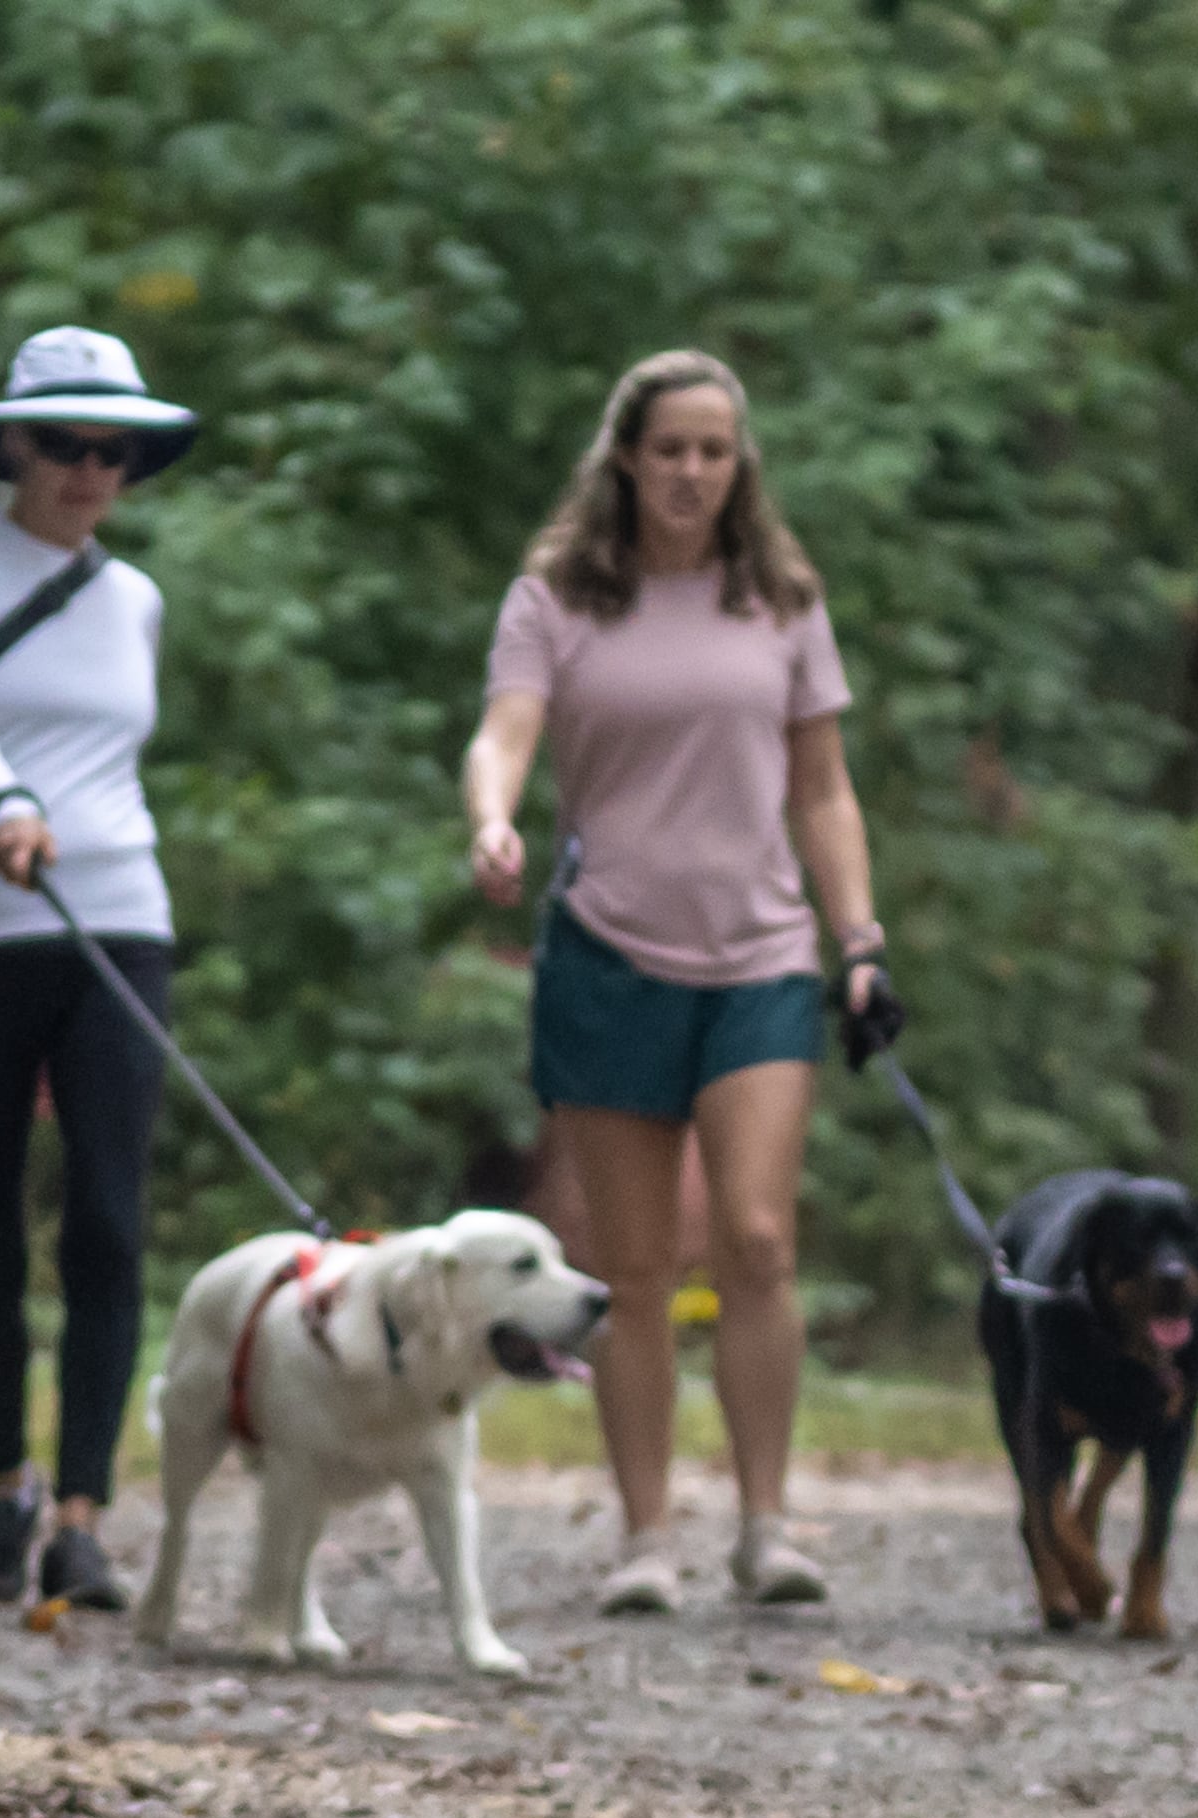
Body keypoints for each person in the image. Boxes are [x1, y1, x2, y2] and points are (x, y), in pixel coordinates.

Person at [461, 350, 899, 1616]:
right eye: (670, 450)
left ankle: (768, 1526)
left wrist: (859, 937)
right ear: (627, 458)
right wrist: (494, 820)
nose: (692, 473)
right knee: (636, 1265)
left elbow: (822, 787)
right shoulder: (558, 598)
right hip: (607, 953)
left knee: (759, 1241)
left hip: (760, 953)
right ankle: (647, 1535)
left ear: (739, 463)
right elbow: (505, 732)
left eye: (714, 450)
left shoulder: (780, 599)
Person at [0, 326, 201, 1612]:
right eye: (65, 444)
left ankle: (83, 1509)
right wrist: (6, 800)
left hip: (117, 913)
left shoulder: (132, 598)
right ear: (14, 445)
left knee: (108, 1213)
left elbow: (118, 753)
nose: (89, 470)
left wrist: (62, 813)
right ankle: (5, 1476)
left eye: (113, 448)